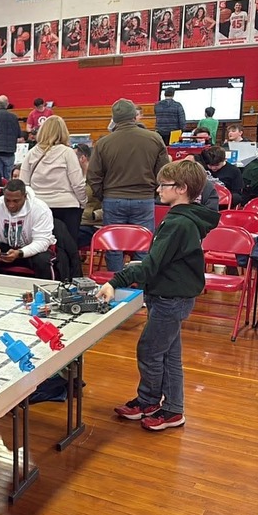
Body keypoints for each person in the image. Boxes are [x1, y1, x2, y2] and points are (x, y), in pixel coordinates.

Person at [98, 160, 218, 431]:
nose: (158, 188)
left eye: (163, 184)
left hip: (170, 299)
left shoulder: (178, 223)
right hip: (169, 294)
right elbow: (163, 261)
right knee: (168, 354)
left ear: (181, 188)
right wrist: (139, 267)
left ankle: (151, 401)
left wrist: (116, 281)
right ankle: (170, 407)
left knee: (150, 350)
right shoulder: (184, 218)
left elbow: (153, 264)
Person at [89, 99, 168, 273]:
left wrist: (104, 195)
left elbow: (93, 175)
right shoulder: (154, 139)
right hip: (144, 199)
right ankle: (140, 289)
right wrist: (154, 193)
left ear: (114, 119)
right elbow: (163, 172)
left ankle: (116, 288)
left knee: (114, 246)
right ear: (135, 116)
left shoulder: (103, 143)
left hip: (113, 199)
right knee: (143, 245)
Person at [20, 116, 87, 244]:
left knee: (41, 244)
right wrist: (82, 202)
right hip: (67, 206)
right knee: (68, 246)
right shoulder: (68, 153)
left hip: (39, 206)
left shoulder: (31, 153)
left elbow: (24, 184)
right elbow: (77, 183)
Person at [0, 179, 56, 280]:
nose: (11, 205)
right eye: (7, 200)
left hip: (32, 249)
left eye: (16, 201)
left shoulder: (40, 209)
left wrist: (20, 253)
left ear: (25, 197)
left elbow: (42, 241)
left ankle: (45, 292)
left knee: (42, 261)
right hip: (5, 247)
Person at [76, 144, 103, 249]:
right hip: (78, 221)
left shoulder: (99, 178)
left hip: (92, 224)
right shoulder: (74, 177)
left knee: (68, 238)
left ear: (82, 158)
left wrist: (94, 215)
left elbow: (111, 203)